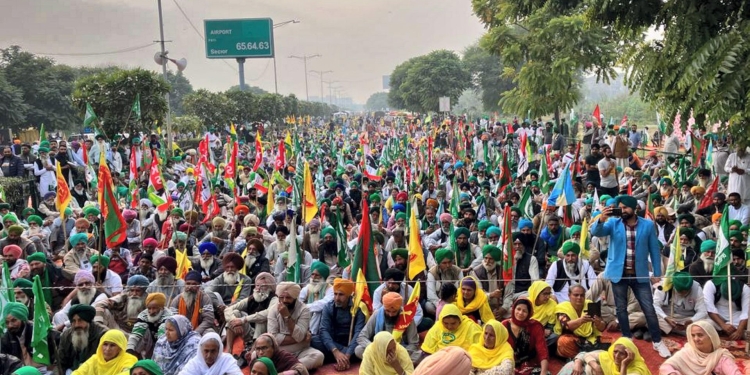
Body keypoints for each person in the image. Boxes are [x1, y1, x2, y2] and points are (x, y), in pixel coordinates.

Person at [591, 195, 671, 358]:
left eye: (625, 207)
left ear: (634, 208)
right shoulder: (613, 223)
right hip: (617, 274)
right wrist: (602, 218)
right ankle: (627, 338)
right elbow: (596, 231)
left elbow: (654, 250)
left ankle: (657, 341)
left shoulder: (648, 225)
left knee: (649, 309)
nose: (622, 211)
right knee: (621, 309)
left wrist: (657, 274)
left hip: (640, 275)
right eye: (619, 207)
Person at [266, 282, 324, 371]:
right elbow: (274, 338)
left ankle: (284, 369)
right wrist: (300, 338)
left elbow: (299, 335)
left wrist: (287, 317)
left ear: (295, 297)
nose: (284, 300)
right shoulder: (273, 310)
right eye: (281, 297)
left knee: (318, 356)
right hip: (281, 351)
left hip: (301, 350)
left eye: (288, 297)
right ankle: (295, 369)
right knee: (257, 354)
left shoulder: (304, 310)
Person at [310, 278, 365, 371]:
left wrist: (347, 354)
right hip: (334, 343)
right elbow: (324, 330)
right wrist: (336, 352)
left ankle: (342, 359)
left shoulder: (358, 308)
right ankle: (341, 358)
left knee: (362, 349)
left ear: (349, 295)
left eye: (341, 294)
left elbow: (358, 333)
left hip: (352, 345)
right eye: (335, 294)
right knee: (313, 340)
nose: (337, 298)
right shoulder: (328, 307)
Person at [355, 291, 421, 363]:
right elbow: (362, 337)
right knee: (359, 350)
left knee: (419, 356)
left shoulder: (407, 316)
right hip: (379, 351)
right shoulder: (377, 314)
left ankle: (384, 365)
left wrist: (399, 352)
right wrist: (376, 348)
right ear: (384, 307)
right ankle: (390, 365)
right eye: (388, 311)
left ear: (399, 309)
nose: (391, 314)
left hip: (399, 352)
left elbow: (414, 343)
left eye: (394, 312)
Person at [224, 272, 277, 356]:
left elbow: (267, 313)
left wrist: (243, 320)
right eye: (257, 286)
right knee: (235, 313)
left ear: (270, 287)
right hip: (251, 331)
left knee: (260, 320)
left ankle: (253, 350)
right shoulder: (251, 298)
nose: (259, 289)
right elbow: (228, 309)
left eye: (263, 286)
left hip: (266, 333)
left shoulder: (274, 298)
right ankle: (229, 350)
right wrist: (235, 322)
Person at [659, 321, 740, 375]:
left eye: (700, 335)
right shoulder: (687, 352)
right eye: (693, 335)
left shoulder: (720, 357)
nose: (696, 339)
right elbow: (666, 366)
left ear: (711, 337)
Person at [554, 284, 606, 359]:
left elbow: (602, 327)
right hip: (572, 338)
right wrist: (581, 320)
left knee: (613, 342)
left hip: (590, 338)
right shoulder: (562, 307)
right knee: (563, 341)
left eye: (582, 295)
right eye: (576, 295)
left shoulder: (589, 304)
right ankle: (581, 358)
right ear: (569, 296)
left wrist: (598, 323)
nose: (579, 298)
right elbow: (566, 326)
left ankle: (585, 357)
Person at [502, 299, 549, 375]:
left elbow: (542, 350)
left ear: (529, 313)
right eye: (518, 309)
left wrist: (544, 372)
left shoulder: (535, 326)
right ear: (513, 309)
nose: (520, 313)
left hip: (530, 363)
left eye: (524, 311)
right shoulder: (504, 325)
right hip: (509, 363)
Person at [57, 304, 108, 375]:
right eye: (74, 321)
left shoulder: (102, 334)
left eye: (80, 320)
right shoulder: (66, 335)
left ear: (88, 321)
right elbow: (60, 362)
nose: (77, 325)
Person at [559, 337, 651, 375]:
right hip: (583, 371)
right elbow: (585, 354)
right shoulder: (609, 356)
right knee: (572, 365)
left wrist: (624, 365)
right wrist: (596, 367)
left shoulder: (637, 371)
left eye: (622, 353)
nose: (617, 356)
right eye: (615, 351)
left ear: (630, 355)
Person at [127, 292, 173, 358]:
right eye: (149, 308)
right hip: (148, 341)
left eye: (154, 308)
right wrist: (130, 349)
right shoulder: (143, 315)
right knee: (139, 336)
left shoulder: (168, 316)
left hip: (165, 342)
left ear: (162, 308)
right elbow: (135, 334)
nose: (151, 311)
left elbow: (162, 336)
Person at [169, 271, 215, 335]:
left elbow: (208, 320)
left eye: (194, 284)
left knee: (210, 333)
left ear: (199, 285)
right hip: (180, 331)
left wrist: (195, 333)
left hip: (199, 330)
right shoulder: (177, 300)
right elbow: (173, 319)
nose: (190, 287)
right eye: (188, 283)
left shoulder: (205, 298)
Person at [71, 330, 138, 375]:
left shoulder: (129, 359)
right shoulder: (95, 359)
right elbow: (78, 372)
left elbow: (128, 372)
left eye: (112, 345)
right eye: (105, 344)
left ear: (120, 348)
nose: (107, 349)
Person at [178, 333, 243, 375]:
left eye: (213, 351)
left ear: (219, 350)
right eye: (206, 351)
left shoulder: (226, 360)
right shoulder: (194, 363)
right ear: (201, 350)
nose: (209, 355)